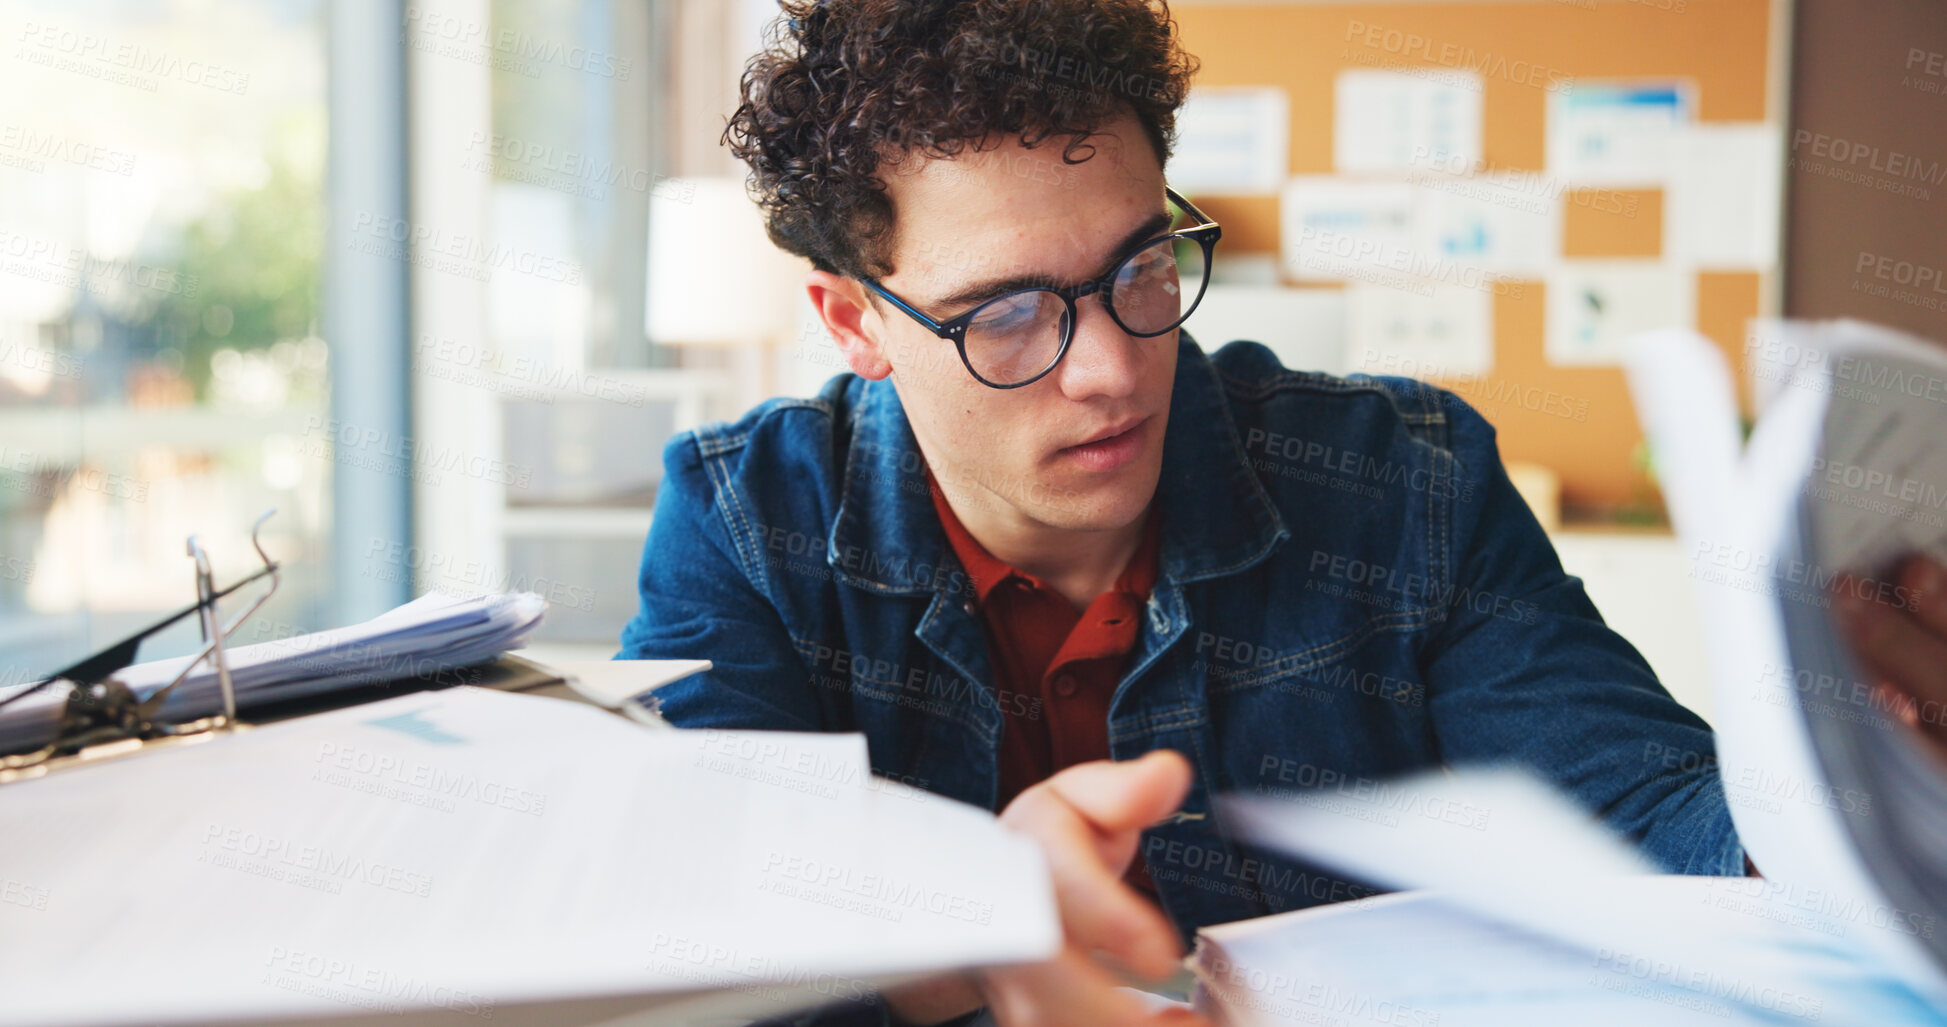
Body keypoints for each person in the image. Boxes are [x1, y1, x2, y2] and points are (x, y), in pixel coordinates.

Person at [618, 1, 1945, 1024]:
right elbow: (682, 951)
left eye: (1142, 264)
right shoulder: (746, 526)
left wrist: (1864, 783)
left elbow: (1652, 816)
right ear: (854, 321)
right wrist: (964, 934)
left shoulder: (1405, 480)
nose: (1112, 365)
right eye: (1008, 312)